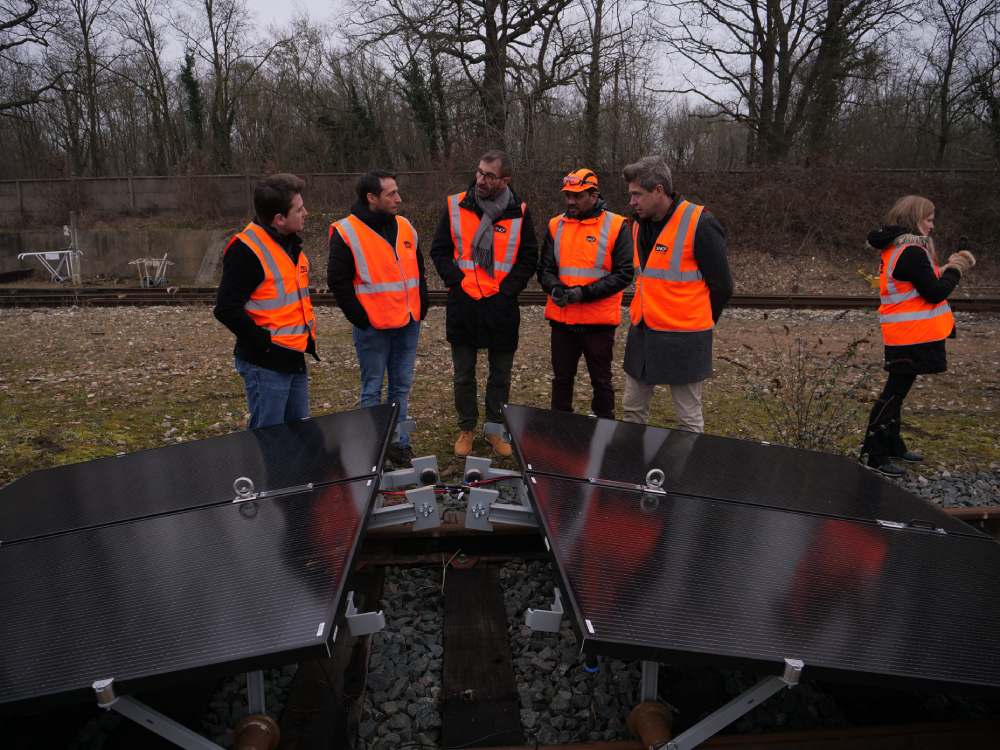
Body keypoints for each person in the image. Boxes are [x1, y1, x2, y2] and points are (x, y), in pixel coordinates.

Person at [430, 150, 539, 457]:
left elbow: (529, 256)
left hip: (501, 306)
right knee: (463, 374)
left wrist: (507, 291)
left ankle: (494, 429)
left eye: (490, 175)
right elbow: (439, 250)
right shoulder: (455, 205)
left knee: (500, 374)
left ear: (505, 180)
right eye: (479, 172)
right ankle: (466, 428)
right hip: (464, 304)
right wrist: (457, 282)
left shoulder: (519, 211)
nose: (481, 179)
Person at [861, 195, 975, 477]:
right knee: (894, 393)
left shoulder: (899, 249)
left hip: (905, 332)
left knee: (897, 392)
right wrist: (958, 267)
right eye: (929, 219)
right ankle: (874, 454)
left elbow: (927, 279)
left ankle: (893, 445)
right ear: (914, 219)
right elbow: (935, 291)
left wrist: (948, 267)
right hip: (910, 334)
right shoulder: (911, 251)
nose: (932, 226)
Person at [620, 155, 733, 432]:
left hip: (685, 338)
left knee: (688, 418)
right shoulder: (637, 225)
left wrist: (699, 321)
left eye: (637, 194)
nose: (632, 202)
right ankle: (630, 468)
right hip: (643, 332)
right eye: (631, 195)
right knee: (632, 409)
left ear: (658, 190)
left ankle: (687, 474)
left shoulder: (700, 223)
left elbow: (723, 286)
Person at [328, 170, 428, 464]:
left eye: (397, 192)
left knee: (401, 386)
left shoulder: (405, 226)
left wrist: (421, 305)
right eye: (391, 194)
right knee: (372, 388)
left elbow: (418, 269)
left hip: (408, 322)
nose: (398, 198)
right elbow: (338, 281)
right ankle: (372, 449)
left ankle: (398, 443)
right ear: (371, 198)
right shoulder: (346, 231)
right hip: (374, 327)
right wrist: (360, 317)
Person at [214, 173, 317, 429]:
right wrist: (265, 344)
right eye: (300, 209)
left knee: (298, 434)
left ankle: (292, 471)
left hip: (293, 356)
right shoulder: (246, 250)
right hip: (266, 363)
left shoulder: (288, 243)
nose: (306, 212)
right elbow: (226, 309)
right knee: (268, 439)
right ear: (279, 219)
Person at [537, 168, 633, 419]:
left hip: (598, 321)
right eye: (568, 195)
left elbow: (624, 274)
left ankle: (604, 431)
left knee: (601, 382)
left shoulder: (616, 225)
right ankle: (560, 429)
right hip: (562, 319)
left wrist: (584, 294)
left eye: (577, 196)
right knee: (561, 380)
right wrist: (554, 287)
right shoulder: (555, 225)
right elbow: (545, 268)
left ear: (594, 194)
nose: (571, 201)